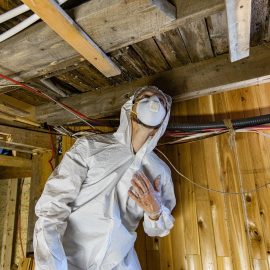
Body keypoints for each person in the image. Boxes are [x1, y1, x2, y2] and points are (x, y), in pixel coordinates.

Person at [33, 86, 176, 270]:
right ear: (131, 110)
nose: (154, 102)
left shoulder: (160, 172)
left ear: (162, 123)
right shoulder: (90, 147)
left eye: (161, 101)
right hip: (68, 261)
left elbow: (157, 230)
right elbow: (52, 207)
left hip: (119, 264)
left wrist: (155, 212)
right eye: (146, 96)